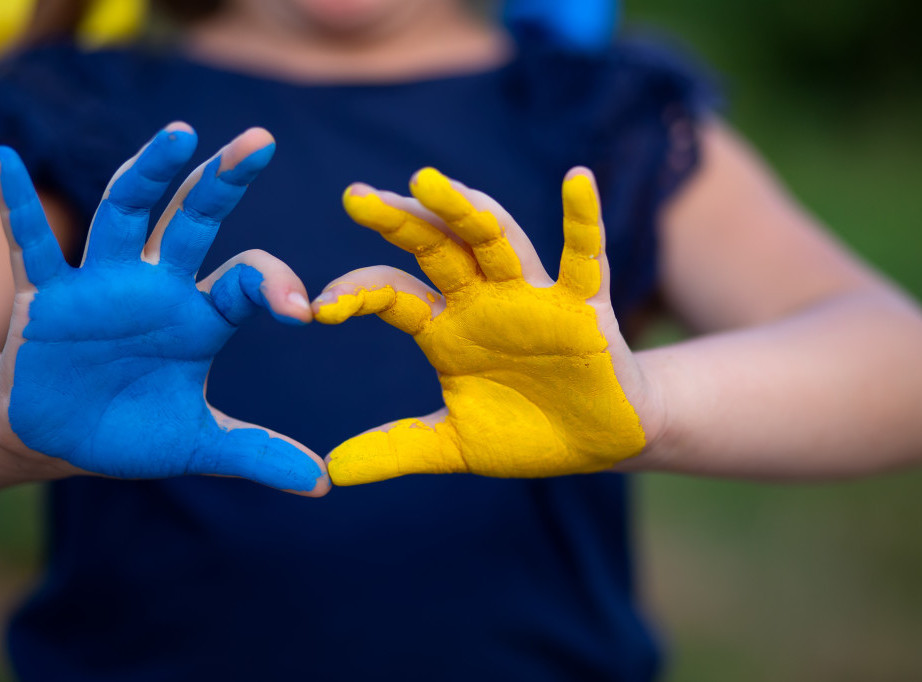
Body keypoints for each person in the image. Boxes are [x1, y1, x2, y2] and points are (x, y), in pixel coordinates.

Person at [1, 1, 921, 680]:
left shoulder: (601, 112)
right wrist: (14, 433)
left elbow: (895, 361)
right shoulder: (68, 109)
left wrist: (655, 405)